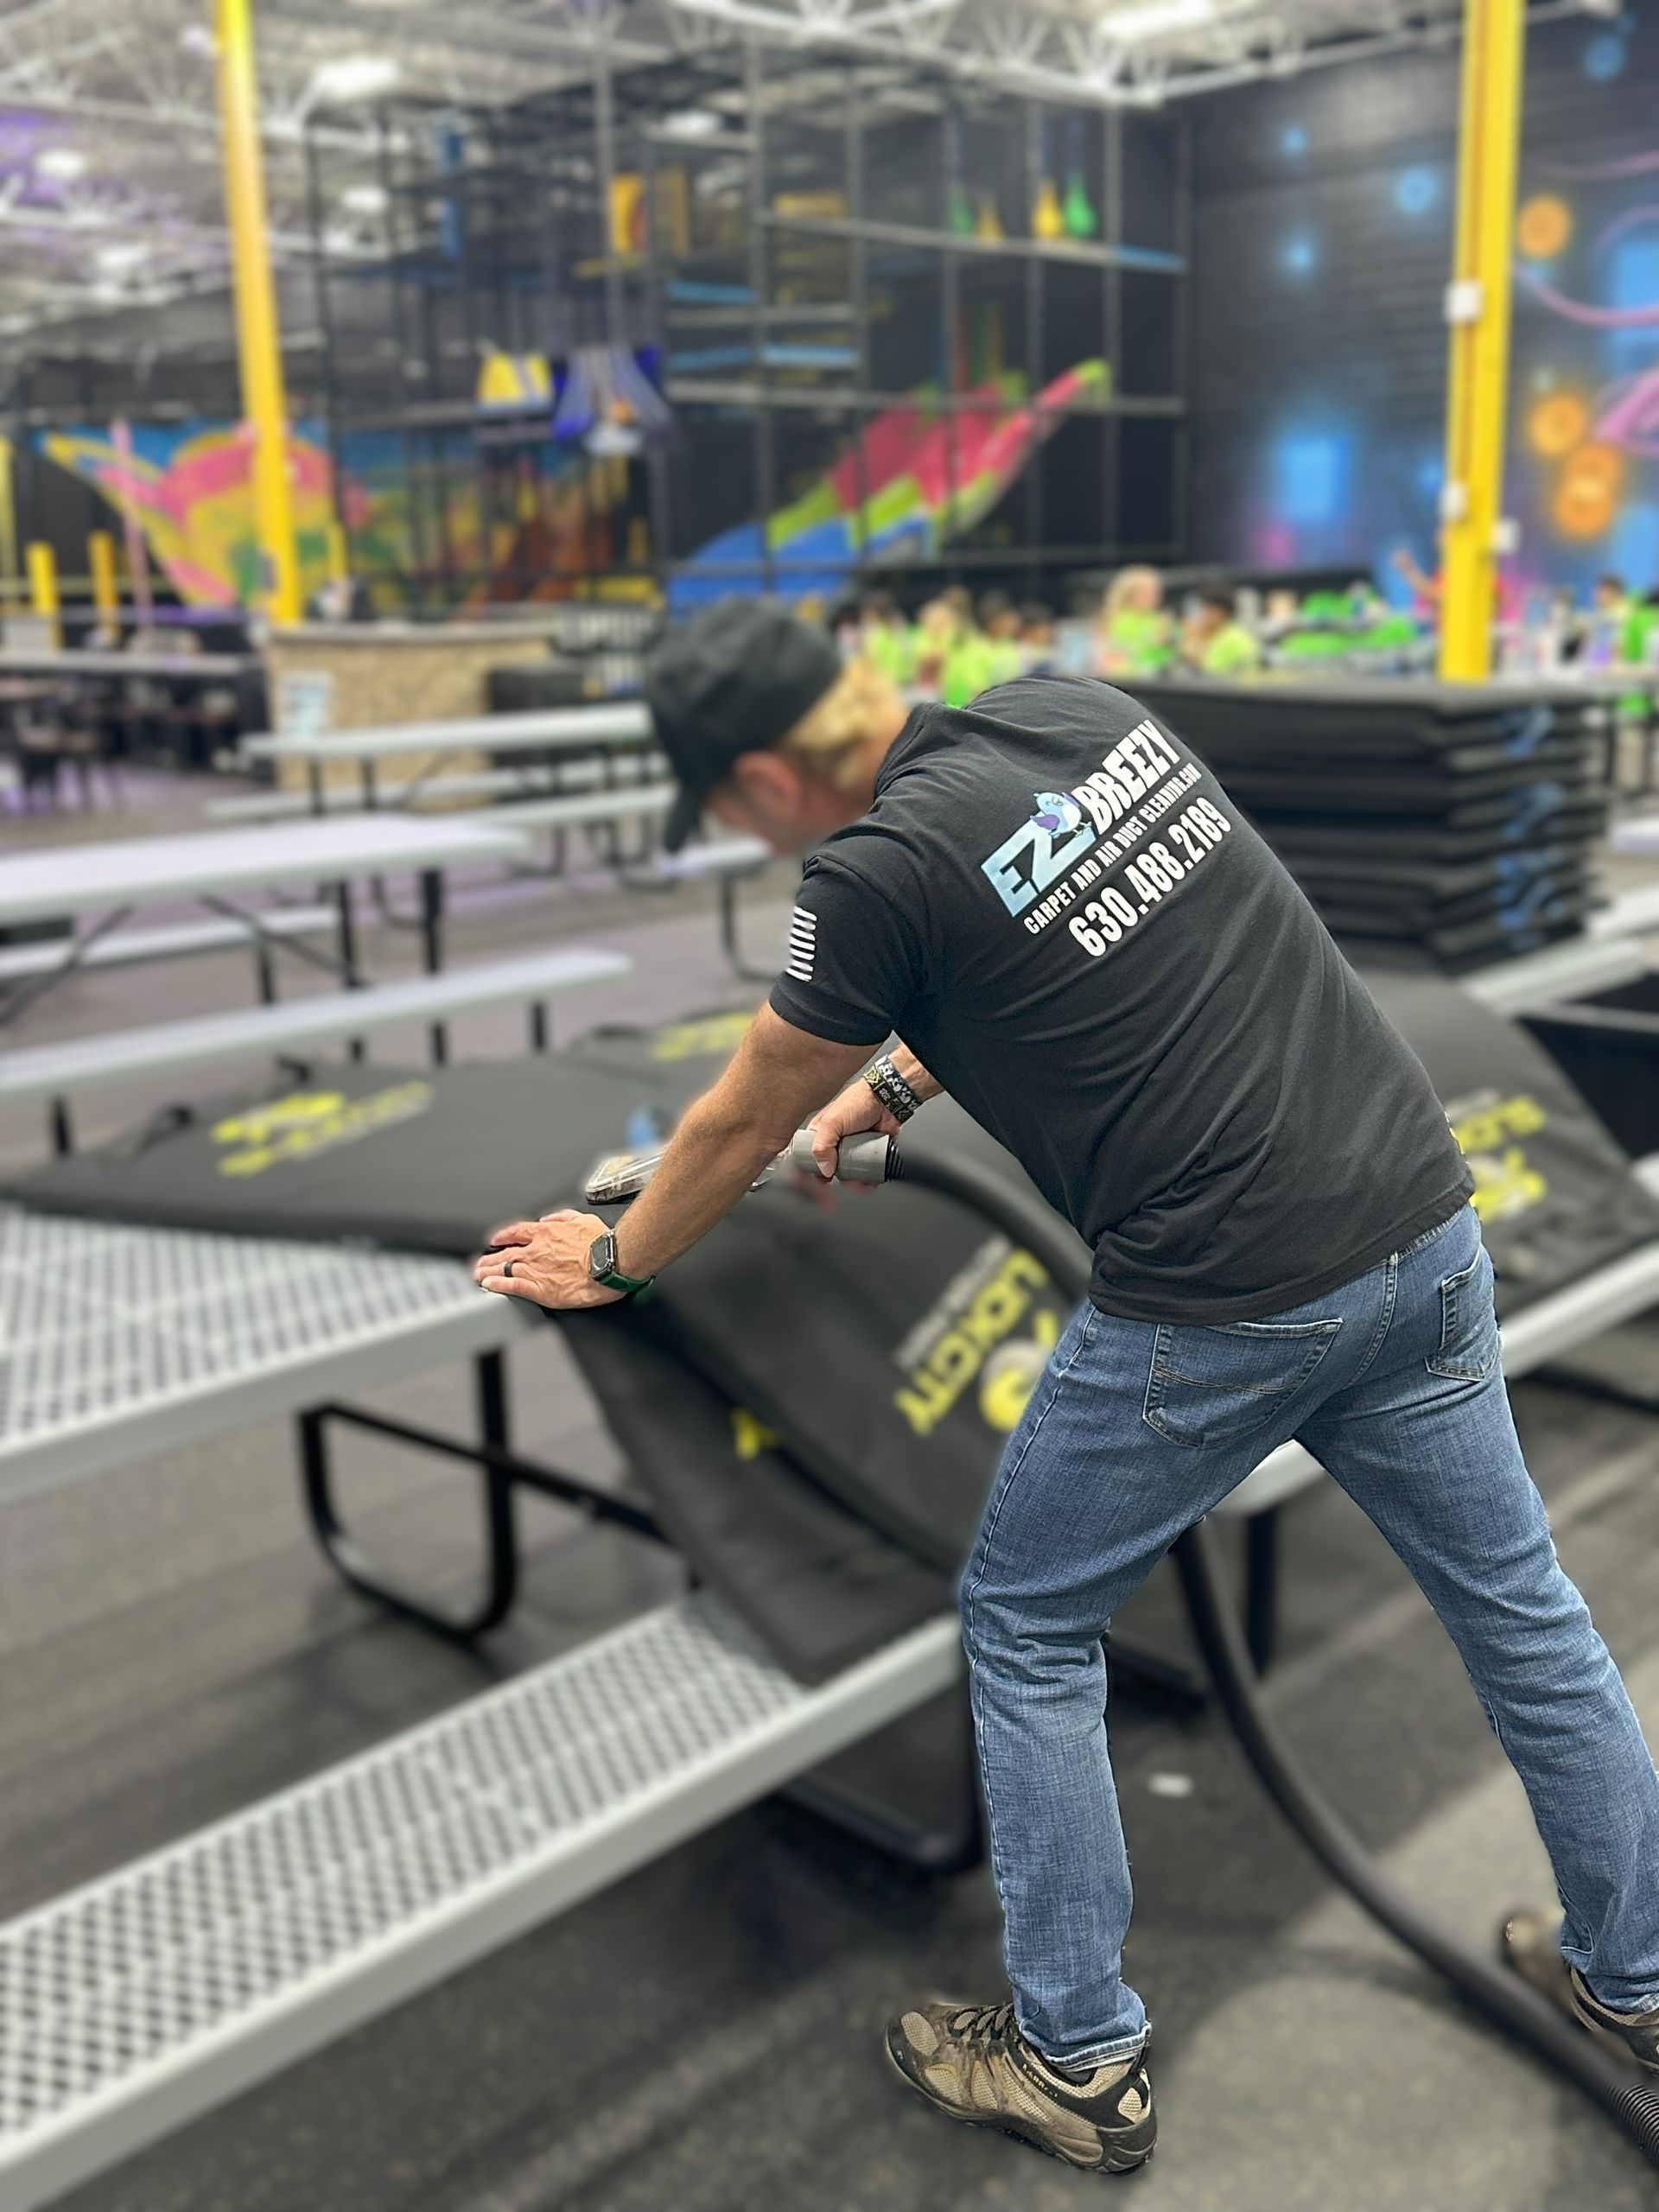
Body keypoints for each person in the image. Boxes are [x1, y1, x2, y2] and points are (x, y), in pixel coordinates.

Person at [475, 601, 1659, 2177]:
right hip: (1420, 1236)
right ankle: (1641, 1977)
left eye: (723, 808)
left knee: (1029, 1618)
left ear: (761, 775)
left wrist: (617, 1257)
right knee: (1523, 1612)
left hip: (1227, 1304)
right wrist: (891, 1086)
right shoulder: (1066, 715)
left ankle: (1076, 2054)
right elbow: (1067, 939)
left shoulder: (868, 875)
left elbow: (737, 1119)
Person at [1095, 565, 1171, 677]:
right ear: (1132, 593)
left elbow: (1169, 656)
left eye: (1157, 592)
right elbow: (1119, 659)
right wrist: (1156, 644)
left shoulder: (1161, 619)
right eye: (1148, 592)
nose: (1156, 597)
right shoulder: (1118, 621)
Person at [1181, 585, 1262, 676]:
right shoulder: (1216, 632)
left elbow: (1210, 672)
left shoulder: (1234, 637)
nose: (1204, 615)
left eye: (1208, 610)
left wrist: (1193, 654)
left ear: (1222, 613)